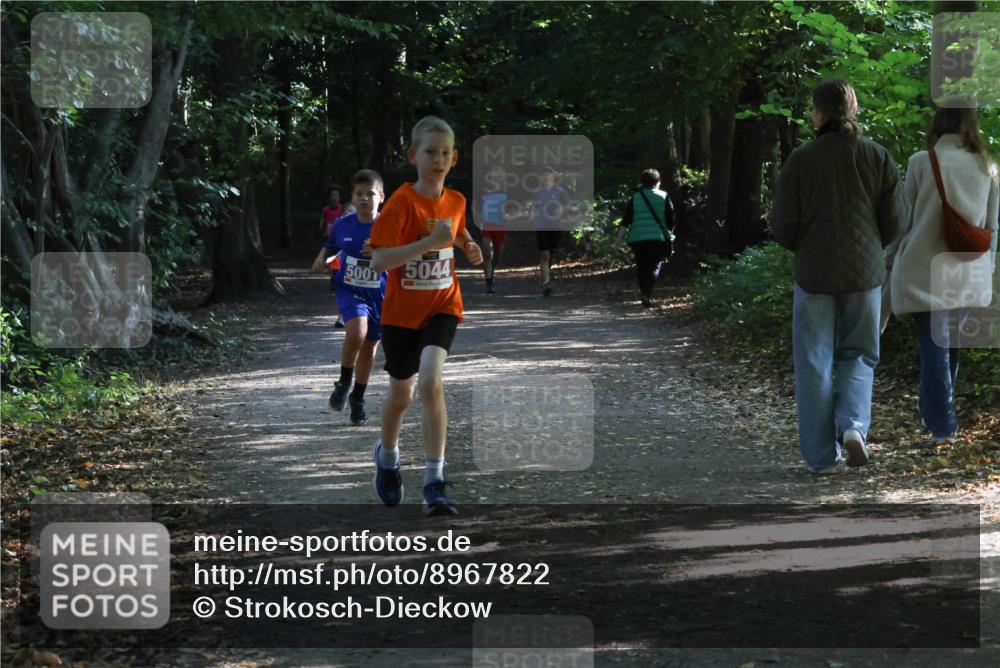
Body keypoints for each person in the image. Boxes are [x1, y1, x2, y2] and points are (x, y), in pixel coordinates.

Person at [772, 79, 901, 473]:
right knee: (859, 355)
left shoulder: (801, 159)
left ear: (822, 113)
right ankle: (854, 429)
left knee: (813, 359)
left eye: (813, 109)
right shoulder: (877, 156)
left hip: (814, 274)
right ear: (853, 109)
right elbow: (895, 222)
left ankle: (820, 457)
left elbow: (783, 226)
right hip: (865, 276)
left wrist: (805, 245)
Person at [369, 116, 483, 515]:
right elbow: (379, 262)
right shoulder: (401, 203)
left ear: (454, 159)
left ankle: (434, 481)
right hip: (401, 315)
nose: (438, 159)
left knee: (432, 381)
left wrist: (468, 246)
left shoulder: (456, 200)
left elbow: (458, 230)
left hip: (443, 305)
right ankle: (387, 457)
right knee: (402, 395)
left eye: (446, 153)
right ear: (413, 155)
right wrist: (426, 244)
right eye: (431, 152)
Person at [886, 107, 998, 445]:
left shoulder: (923, 161)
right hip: (968, 270)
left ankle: (942, 427)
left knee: (934, 346)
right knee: (948, 347)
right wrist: (989, 268)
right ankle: (937, 416)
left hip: (925, 268)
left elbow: (904, 219)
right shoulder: (987, 166)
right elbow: (992, 226)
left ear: (939, 123)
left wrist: (889, 256)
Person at [325, 170, 388, 426]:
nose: (364, 199)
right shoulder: (343, 224)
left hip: (380, 294)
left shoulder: (390, 224)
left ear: (381, 197)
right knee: (356, 332)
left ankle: (358, 398)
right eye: (359, 194)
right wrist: (322, 259)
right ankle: (343, 382)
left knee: (370, 347)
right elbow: (330, 247)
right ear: (352, 196)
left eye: (370, 194)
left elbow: (404, 251)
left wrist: (382, 248)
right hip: (350, 289)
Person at [614, 168, 675, 307]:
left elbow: (626, 220)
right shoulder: (664, 196)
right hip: (657, 238)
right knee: (653, 266)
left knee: (641, 266)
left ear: (642, 183)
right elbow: (671, 219)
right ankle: (647, 294)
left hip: (637, 238)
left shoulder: (635, 197)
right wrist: (669, 234)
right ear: (658, 182)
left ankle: (644, 294)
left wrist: (619, 240)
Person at [532, 167, 571, 297]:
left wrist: (561, 208)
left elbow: (568, 205)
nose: (546, 177)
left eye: (548, 174)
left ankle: (545, 275)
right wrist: (532, 214)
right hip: (542, 226)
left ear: (553, 177)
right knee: (544, 254)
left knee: (551, 255)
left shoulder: (560, 191)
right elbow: (533, 207)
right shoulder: (538, 192)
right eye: (543, 175)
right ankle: (546, 284)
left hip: (556, 226)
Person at [479, 165, 511, 294]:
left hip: (501, 227)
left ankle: (492, 272)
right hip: (487, 226)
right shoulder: (483, 191)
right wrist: (478, 216)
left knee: (496, 257)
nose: (495, 177)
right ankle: (488, 282)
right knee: (487, 254)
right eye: (493, 175)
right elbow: (475, 206)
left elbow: (513, 208)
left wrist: (509, 214)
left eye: (499, 175)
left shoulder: (508, 192)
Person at [320, 186, 346, 328]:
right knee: (333, 260)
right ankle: (333, 279)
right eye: (332, 195)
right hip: (330, 238)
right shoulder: (326, 210)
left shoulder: (342, 209)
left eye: (336, 195)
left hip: (343, 241)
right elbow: (323, 220)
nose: (334, 198)